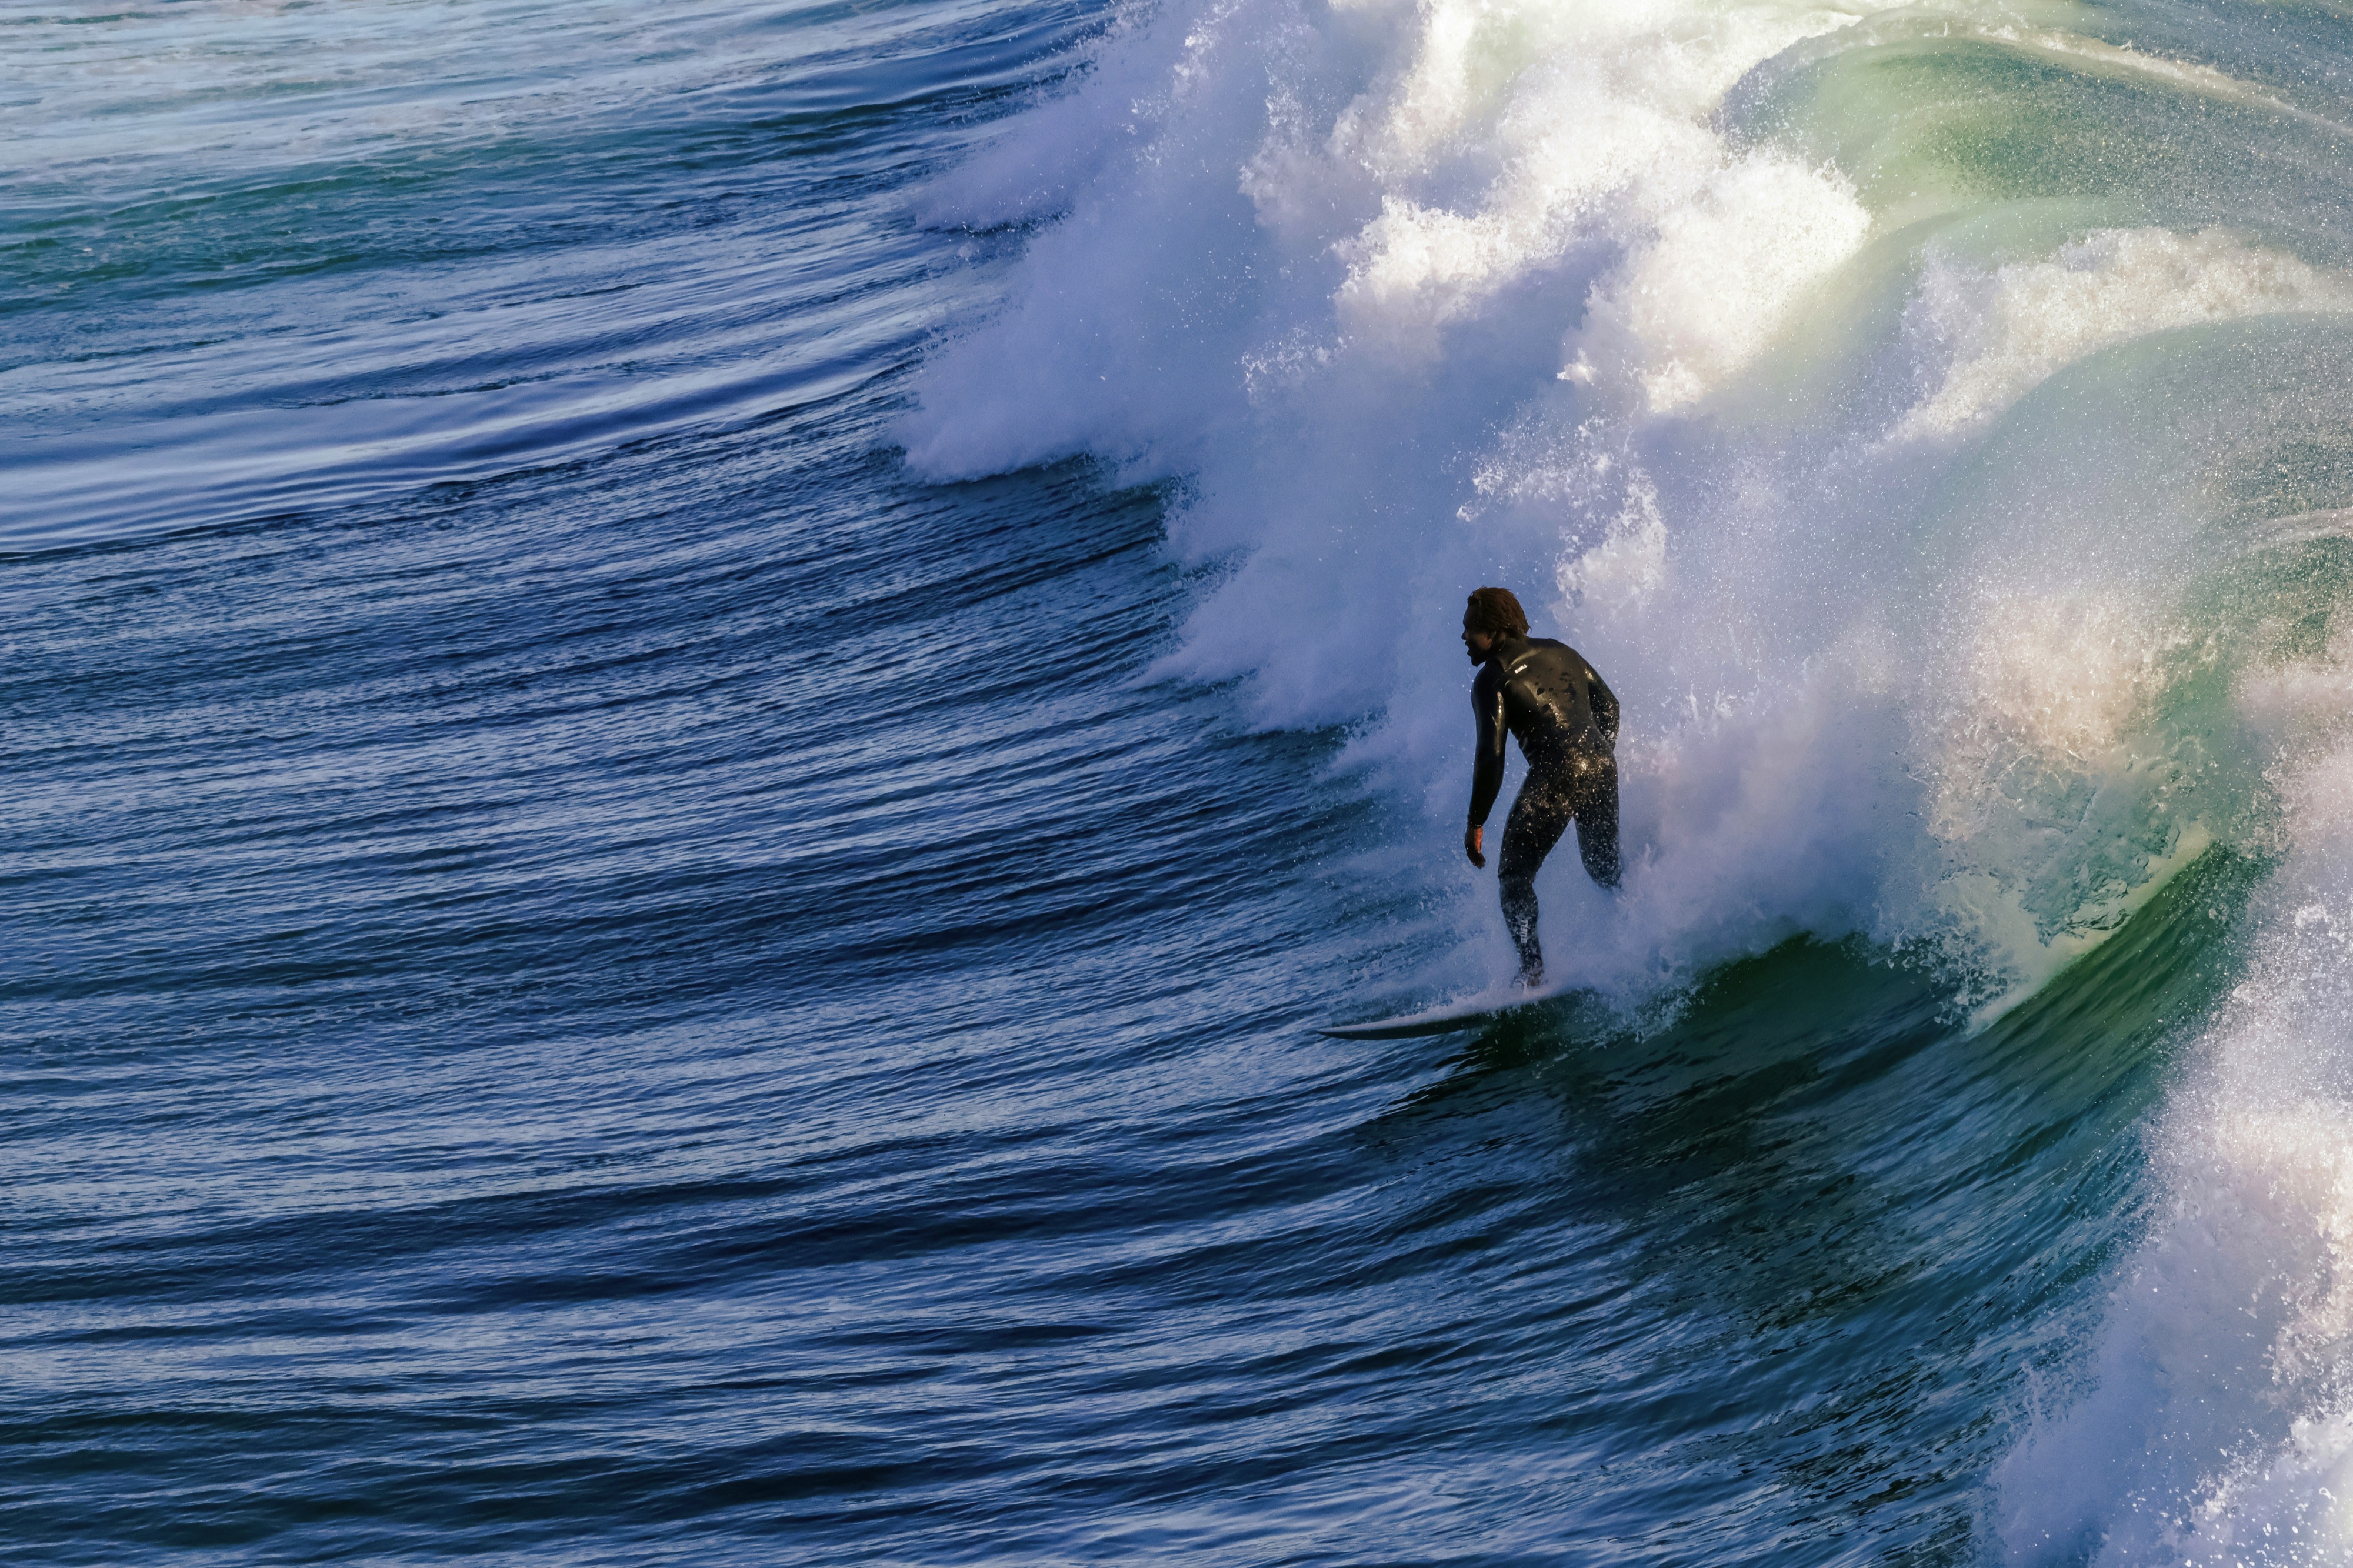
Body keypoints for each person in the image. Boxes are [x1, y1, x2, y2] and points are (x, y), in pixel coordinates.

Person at [1460, 586, 1620, 986]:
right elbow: (1610, 707)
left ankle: (1532, 972)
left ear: (1494, 631)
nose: (1463, 638)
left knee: (1515, 878)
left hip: (1557, 773)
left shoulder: (1491, 679)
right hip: (1600, 762)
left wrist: (1476, 822)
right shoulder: (1561, 651)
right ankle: (1646, 921)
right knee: (1605, 870)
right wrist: (1595, 757)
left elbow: (1490, 758)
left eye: (1470, 630)